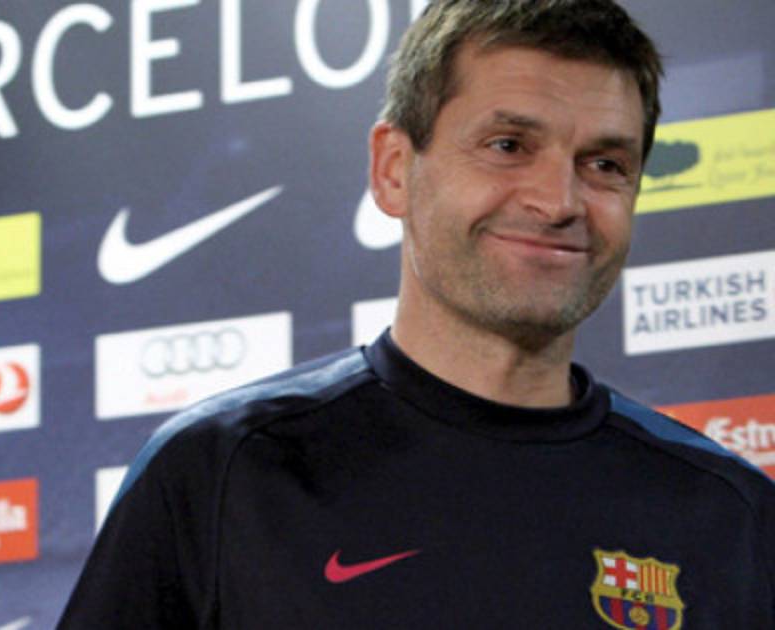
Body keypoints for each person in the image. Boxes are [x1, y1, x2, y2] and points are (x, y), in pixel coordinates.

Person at [60, 0, 775, 627]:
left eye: (606, 165)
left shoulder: (732, 515)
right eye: (508, 146)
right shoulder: (220, 472)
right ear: (394, 169)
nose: (559, 201)